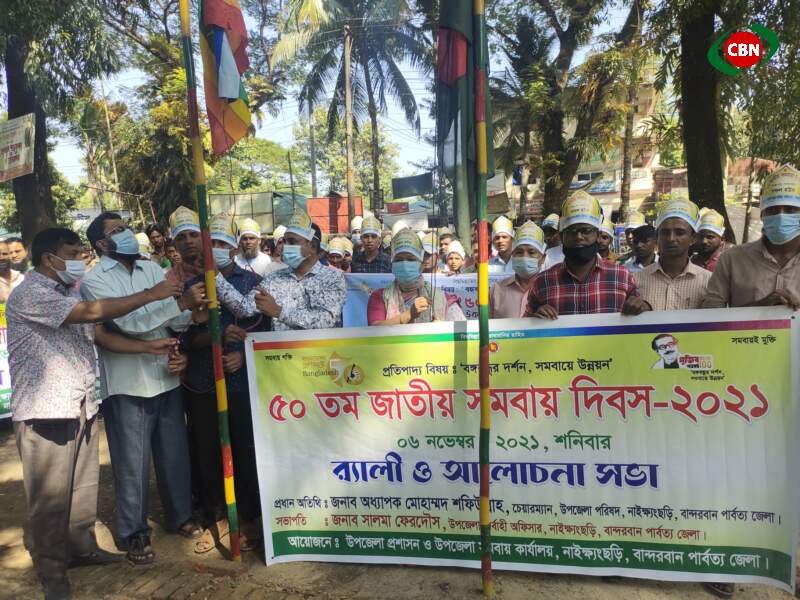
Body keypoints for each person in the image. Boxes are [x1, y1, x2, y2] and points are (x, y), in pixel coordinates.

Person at [7, 227, 184, 599]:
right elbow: (91, 312)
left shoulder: (67, 290)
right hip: (46, 411)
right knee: (50, 497)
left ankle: (81, 548)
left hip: (81, 403)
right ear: (49, 258)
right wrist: (152, 294)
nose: (80, 259)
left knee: (82, 488)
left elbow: (99, 335)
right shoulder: (32, 293)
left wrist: (147, 347)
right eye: (73, 253)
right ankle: (53, 572)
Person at [81, 212, 206, 565]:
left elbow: (172, 318)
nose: (127, 233)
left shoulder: (151, 268)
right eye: (117, 230)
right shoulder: (95, 280)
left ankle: (180, 515)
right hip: (128, 381)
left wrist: (188, 311)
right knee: (132, 463)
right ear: (102, 243)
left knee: (174, 453)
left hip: (165, 373)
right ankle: (133, 531)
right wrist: (176, 304)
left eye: (126, 227)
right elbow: (127, 324)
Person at [180, 213, 268, 553]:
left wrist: (243, 355)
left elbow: (264, 331)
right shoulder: (194, 286)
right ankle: (216, 517)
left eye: (221, 243)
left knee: (245, 449)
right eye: (210, 243)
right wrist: (212, 337)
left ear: (233, 248)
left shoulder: (254, 283)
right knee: (207, 450)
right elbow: (184, 337)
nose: (214, 248)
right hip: (204, 382)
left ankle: (248, 516)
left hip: (242, 383)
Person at [214, 208, 347, 331]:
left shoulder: (333, 278)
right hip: (281, 349)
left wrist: (279, 312)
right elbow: (244, 308)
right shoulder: (274, 279)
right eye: (284, 241)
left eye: (292, 242)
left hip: (319, 349)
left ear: (312, 246)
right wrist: (216, 276)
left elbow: (325, 321)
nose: (285, 246)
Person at [524, 192, 649, 319]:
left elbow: (641, 319)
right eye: (571, 231)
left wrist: (643, 308)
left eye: (586, 230)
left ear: (598, 235)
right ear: (561, 236)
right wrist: (535, 319)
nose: (579, 237)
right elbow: (525, 325)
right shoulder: (542, 282)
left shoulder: (622, 277)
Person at [703, 164, 800, 312]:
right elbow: (710, 313)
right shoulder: (732, 259)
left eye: (790, 209)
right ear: (762, 214)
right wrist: (758, 309)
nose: (780, 216)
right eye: (772, 209)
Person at [368, 228, 465, 325]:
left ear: (421, 263)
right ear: (392, 263)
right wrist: (409, 314)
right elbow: (374, 328)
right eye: (399, 259)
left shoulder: (439, 297)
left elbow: (462, 328)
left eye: (410, 259)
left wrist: (440, 327)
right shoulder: (380, 297)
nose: (404, 264)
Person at [634, 199, 711, 311]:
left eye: (680, 233)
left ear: (693, 238)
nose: (671, 238)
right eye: (665, 233)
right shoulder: (636, 280)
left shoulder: (708, 282)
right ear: (657, 237)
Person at [489, 221, 546, 318]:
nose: (524, 257)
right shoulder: (496, 290)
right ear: (513, 255)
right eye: (519, 252)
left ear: (543, 258)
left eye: (531, 252)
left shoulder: (550, 289)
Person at [165, 207, 205, 284]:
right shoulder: (170, 279)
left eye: (194, 235)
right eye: (181, 238)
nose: (188, 241)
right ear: (175, 244)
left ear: (203, 238)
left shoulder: (219, 269)